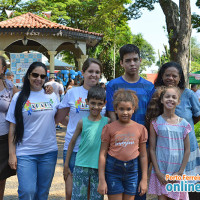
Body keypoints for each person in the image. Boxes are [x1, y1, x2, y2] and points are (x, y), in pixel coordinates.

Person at [106, 44, 155, 200]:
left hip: (142, 147)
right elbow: (111, 112)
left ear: (140, 60)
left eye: (135, 60)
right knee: (118, 190)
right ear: (121, 63)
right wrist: (120, 136)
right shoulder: (113, 85)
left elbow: (150, 116)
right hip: (120, 146)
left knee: (139, 191)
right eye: (128, 61)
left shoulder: (149, 87)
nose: (132, 64)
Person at [6, 62, 59, 200]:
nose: (39, 79)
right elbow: (12, 127)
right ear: (28, 76)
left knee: (42, 194)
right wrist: (12, 154)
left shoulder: (51, 96)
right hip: (26, 153)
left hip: (49, 152)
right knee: (27, 191)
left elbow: (61, 117)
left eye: (42, 76)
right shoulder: (18, 98)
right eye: (35, 75)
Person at [55, 58, 106, 200]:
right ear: (83, 72)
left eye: (97, 72)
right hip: (74, 149)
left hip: (94, 150)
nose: (94, 75)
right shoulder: (72, 93)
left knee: (90, 193)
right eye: (90, 71)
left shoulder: (103, 94)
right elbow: (59, 117)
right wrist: (72, 124)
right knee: (71, 193)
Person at [154, 62, 200, 199]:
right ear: (162, 76)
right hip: (167, 151)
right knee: (168, 187)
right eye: (167, 75)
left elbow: (197, 116)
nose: (171, 78)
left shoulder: (188, 94)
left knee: (190, 187)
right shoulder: (157, 93)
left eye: (175, 75)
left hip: (188, 148)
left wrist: (184, 128)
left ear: (180, 78)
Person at [98, 89, 148, 200]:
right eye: (121, 109)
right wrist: (102, 180)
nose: (125, 112)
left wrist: (144, 179)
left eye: (128, 109)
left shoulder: (140, 129)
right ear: (115, 109)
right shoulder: (109, 128)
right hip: (113, 172)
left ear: (133, 109)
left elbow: (143, 155)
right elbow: (102, 154)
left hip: (132, 172)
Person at [64, 85, 109, 200]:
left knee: (97, 197)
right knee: (78, 197)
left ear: (104, 103)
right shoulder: (82, 122)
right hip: (81, 165)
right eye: (93, 103)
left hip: (99, 167)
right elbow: (72, 142)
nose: (96, 107)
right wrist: (66, 164)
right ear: (87, 102)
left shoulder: (107, 122)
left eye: (100, 104)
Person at [146, 86, 191, 200]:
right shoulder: (155, 122)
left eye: (174, 97)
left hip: (177, 171)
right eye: (167, 96)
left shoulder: (184, 124)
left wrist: (180, 172)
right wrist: (157, 172)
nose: (170, 99)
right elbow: (152, 149)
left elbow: (187, 150)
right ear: (162, 100)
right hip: (161, 171)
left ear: (178, 102)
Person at [0, 56, 18, 200]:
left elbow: (26, 98)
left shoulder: (9, 86)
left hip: (3, 139)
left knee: (1, 179)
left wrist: (46, 89)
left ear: (3, 69)